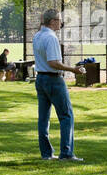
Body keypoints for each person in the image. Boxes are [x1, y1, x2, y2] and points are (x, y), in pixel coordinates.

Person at [33, 9, 86, 161]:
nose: (61, 22)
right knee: (66, 115)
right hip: (53, 79)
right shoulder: (51, 37)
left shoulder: (37, 36)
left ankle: (46, 153)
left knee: (43, 118)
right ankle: (66, 153)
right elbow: (53, 62)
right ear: (52, 21)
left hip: (40, 79)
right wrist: (73, 69)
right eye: (59, 19)